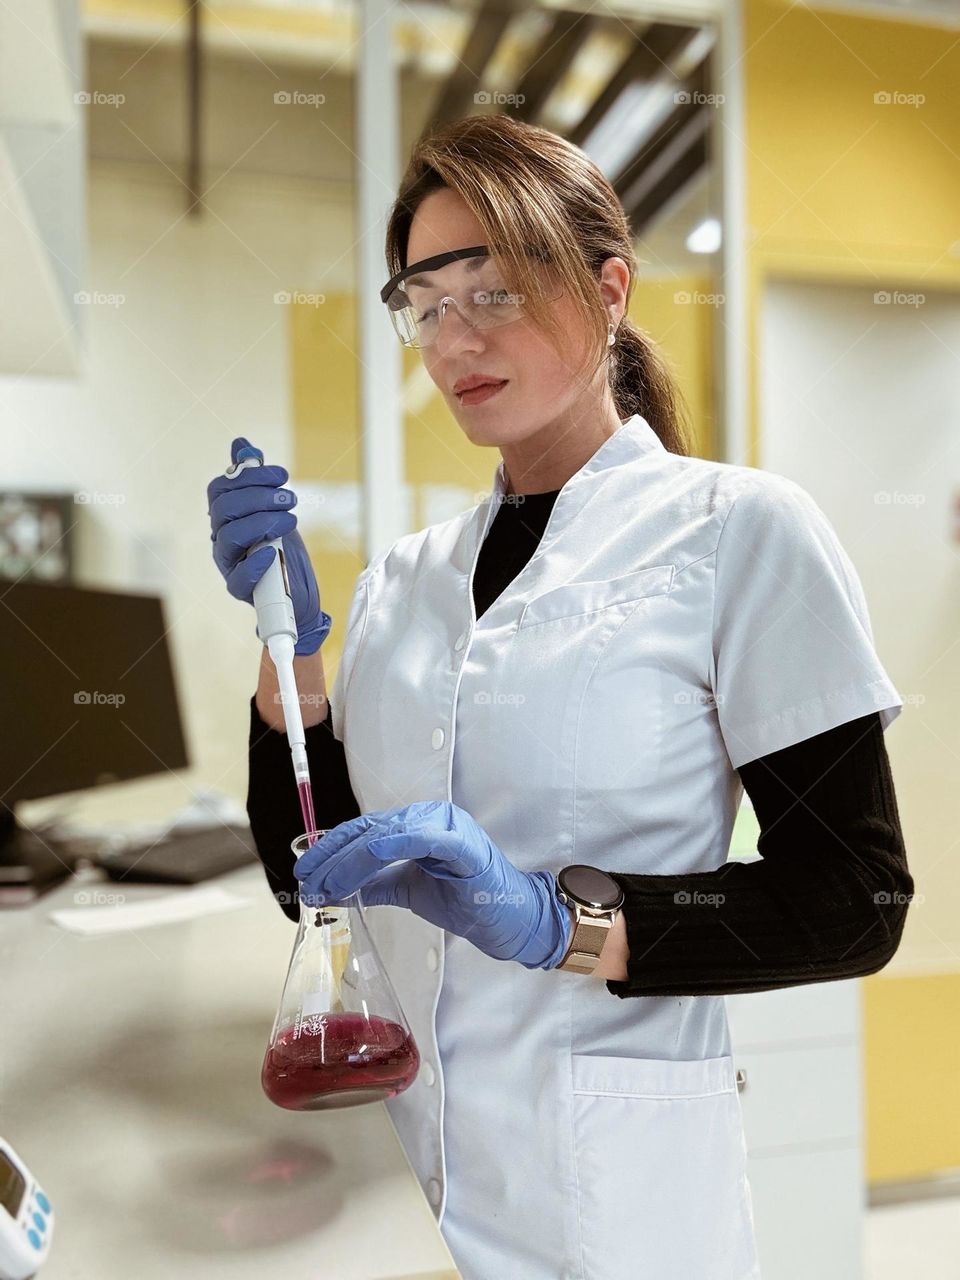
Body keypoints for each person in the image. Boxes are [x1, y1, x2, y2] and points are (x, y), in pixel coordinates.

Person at [207, 114, 912, 1280]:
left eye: (492, 289)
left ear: (611, 289)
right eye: (424, 303)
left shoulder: (740, 532)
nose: (450, 339)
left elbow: (856, 897)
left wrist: (562, 922)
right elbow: (308, 879)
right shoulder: (403, 578)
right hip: (416, 1178)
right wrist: (291, 663)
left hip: (620, 1200)